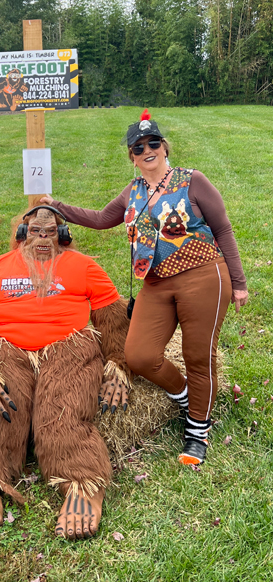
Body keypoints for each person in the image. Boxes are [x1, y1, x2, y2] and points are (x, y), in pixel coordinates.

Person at [41, 110, 248, 466]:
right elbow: (102, 219)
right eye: (139, 147)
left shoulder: (192, 180)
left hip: (203, 277)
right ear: (132, 156)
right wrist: (56, 206)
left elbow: (224, 230)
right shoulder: (132, 192)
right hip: (154, 283)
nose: (147, 150)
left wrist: (239, 283)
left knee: (200, 357)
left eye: (153, 143)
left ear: (164, 147)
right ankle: (187, 396)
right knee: (138, 355)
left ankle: (198, 431)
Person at [0, 206, 133, 539]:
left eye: (50, 231)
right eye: (35, 231)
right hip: (5, 348)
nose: (42, 238)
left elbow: (113, 321)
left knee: (65, 409)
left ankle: (83, 484)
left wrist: (118, 363)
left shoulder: (86, 268)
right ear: (21, 235)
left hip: (69, 347)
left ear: (63, 235)